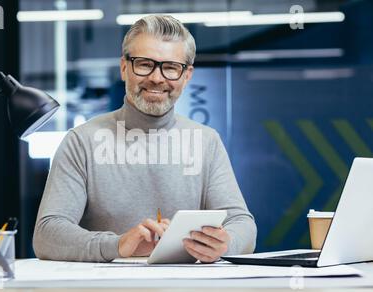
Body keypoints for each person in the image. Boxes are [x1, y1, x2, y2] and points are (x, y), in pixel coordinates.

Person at [33, 15, 256, 263]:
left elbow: (242, 224)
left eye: (170, 67)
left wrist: (227, 243)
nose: (157, 78)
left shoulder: (206, 141)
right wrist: (117, 245)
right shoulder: (81, 141)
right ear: (124, 67)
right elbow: (47, 234)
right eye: (144, 64)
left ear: (187, 75)